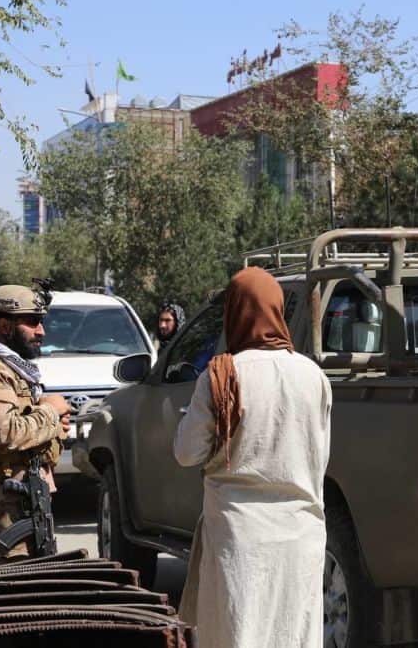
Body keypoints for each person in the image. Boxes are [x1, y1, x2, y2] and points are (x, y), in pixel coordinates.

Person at [173, 267, 332, 648]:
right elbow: (319, 455)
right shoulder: (314, 376)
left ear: (235, 313)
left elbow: (186, 453)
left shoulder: (221, 375)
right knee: (293, 635)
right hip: (301, 536)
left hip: (239, 541)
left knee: (239, 634)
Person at [0, 284, 71, 563]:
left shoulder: (11, 369)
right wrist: (50, 413)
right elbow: (4, 434)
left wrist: (51, 422)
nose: (41, 331)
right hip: (8, 497)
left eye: (41, 322)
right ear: (5, 326)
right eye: (32, 322)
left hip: (24, 493)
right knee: (18, 585)